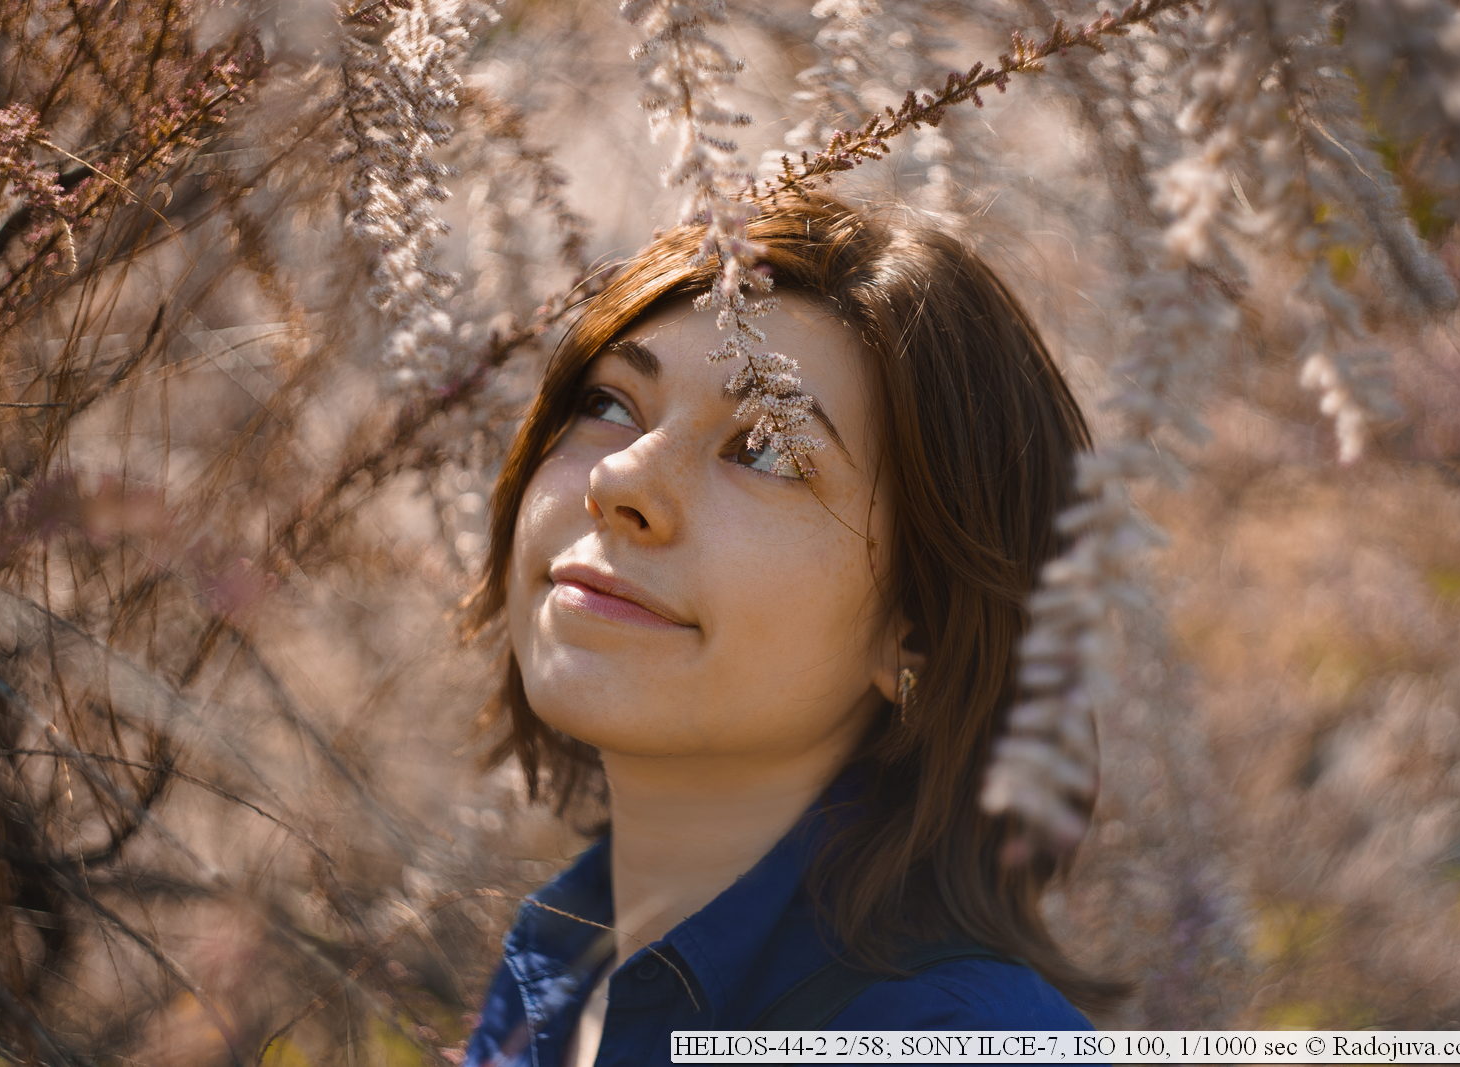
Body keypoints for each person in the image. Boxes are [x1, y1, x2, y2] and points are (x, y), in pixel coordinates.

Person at [460, 193, 1132, 1067]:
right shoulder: (559, 965)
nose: (621, 476)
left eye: (767, 450)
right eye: (611, 403)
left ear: (916, 628)